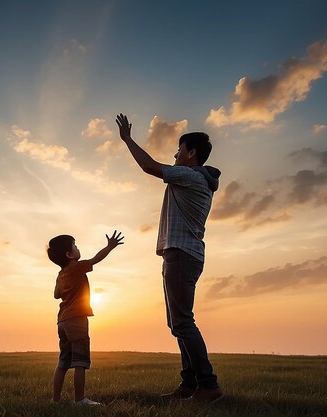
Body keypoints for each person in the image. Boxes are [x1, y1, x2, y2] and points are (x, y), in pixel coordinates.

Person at [115, 113, 223, 404]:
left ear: (192, 154)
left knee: (183, 322)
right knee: (177, 323)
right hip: (181, 255)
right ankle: (189, 385)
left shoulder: (191, 176)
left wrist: (127, 139)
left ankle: (208, 385)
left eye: (179, 150)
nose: (175, 155)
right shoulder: (195, 178)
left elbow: (150, 166)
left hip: (182, 255)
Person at [48, 231, 124, 405]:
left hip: (62, 321)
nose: (77, 247)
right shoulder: (77, 267)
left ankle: (56, 400)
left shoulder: (61, 275)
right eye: (75, 245)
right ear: (69, 254)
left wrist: (61, 275)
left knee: (63, 362)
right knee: (80, 361)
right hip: (77, 319)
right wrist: (109, 247)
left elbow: (56, 295)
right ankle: (80, 400)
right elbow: (96, 259)